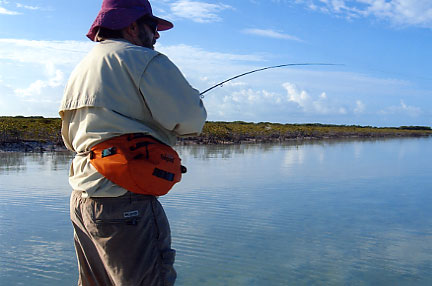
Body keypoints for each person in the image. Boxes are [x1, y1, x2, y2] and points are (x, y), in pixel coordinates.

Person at [59, 0, 207, 285]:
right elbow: (191, 121)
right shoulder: (144, 60)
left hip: (83, 200)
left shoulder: (82, 68)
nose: (157, 35)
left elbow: (69, 139)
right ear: (131, 26)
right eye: (152, 27)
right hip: (125, 201)